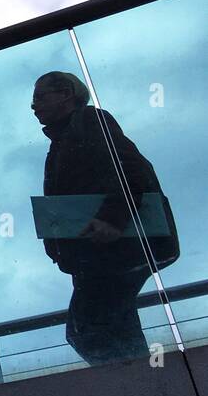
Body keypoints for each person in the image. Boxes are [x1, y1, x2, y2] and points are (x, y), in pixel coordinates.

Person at [32, 71, 178, 365]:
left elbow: (132, 170)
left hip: (112, 251)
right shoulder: (64, 139)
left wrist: (113, 219)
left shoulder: (89, 122)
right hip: (102, 254)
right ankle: (151, 392)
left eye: (40, 97)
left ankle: (143, 392)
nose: (34, 106)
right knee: (108, 327)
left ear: (65, 94)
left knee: (86, 329)